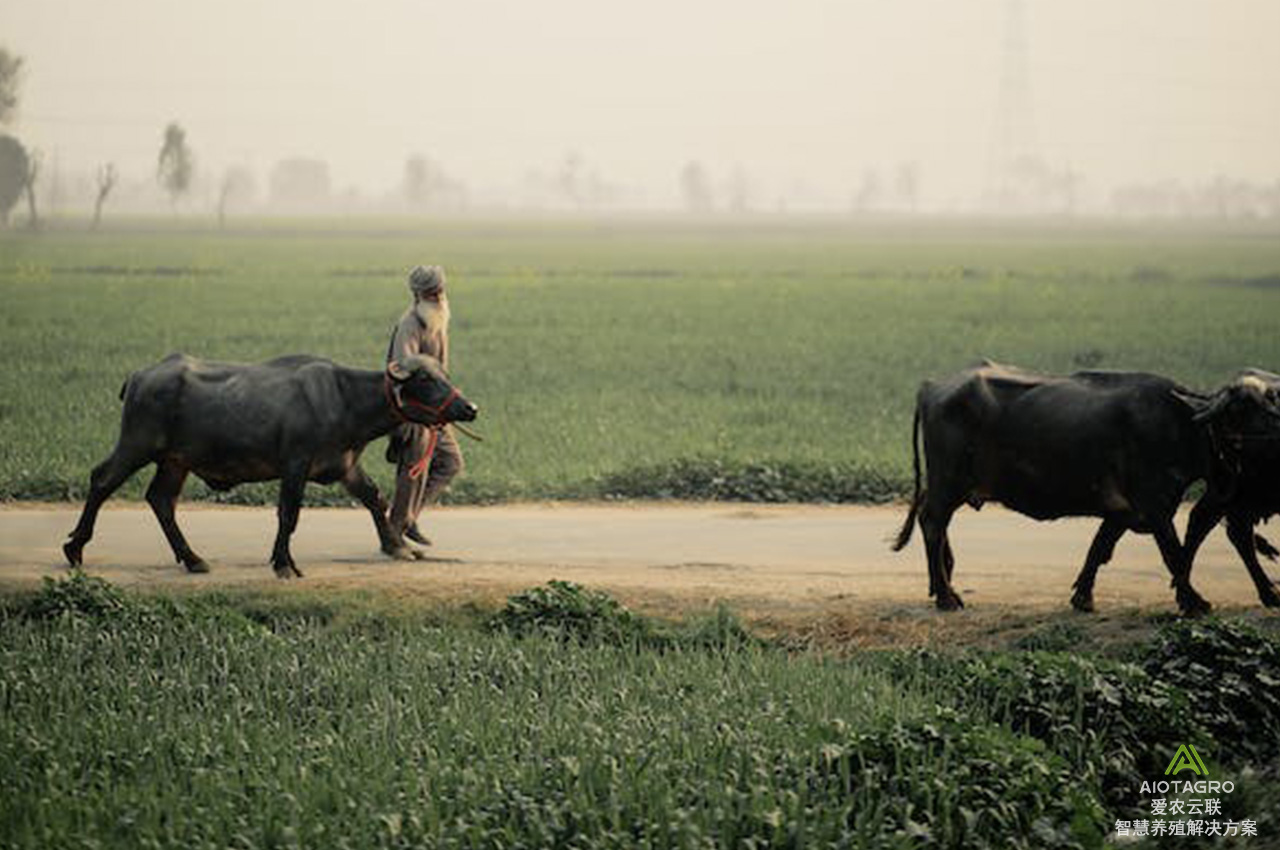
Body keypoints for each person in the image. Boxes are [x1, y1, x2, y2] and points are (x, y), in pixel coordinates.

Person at [385, 264, 464, 546]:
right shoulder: (411, 324)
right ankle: (394, 534)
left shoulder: (437, 319)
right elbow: (403, 370)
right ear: (418, 295)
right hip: (416, 411)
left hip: (437, 410)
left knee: (450, 463)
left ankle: (409, 519)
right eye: (432, 292)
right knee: (412, 472)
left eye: (440, 290)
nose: (438, 296)